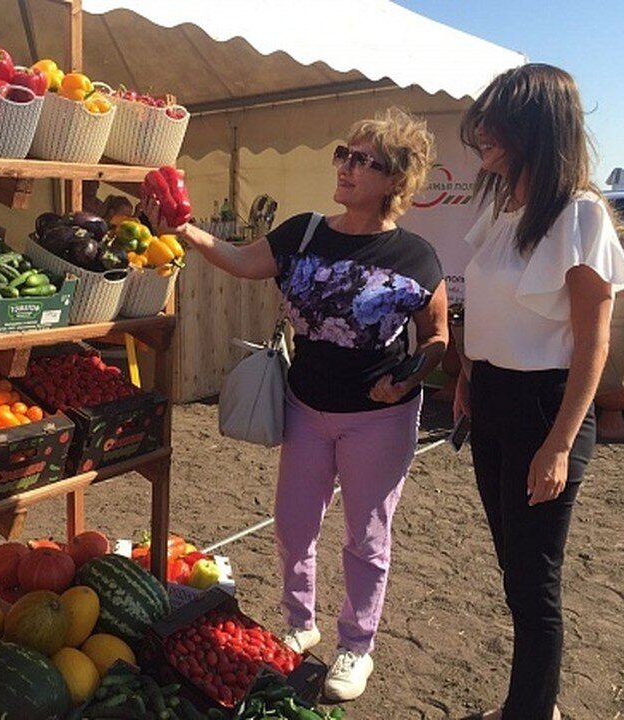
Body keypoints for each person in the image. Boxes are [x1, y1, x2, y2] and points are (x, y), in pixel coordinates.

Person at [144, 107, 448, 702]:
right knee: (292, 523)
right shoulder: (305, 231)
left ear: (395, 180)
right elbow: (239, 260)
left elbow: (438, 338)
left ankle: (356, 646)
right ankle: (299, 622)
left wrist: (410, 377)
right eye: (345, 154)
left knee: (366, 536)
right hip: (306, 406)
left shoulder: (416, 256)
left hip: (379, 419)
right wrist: (184, 231)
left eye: (365, 161)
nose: (348, 167)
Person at [454, 64, 624, 720]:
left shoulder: (580, 214)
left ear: (537, 126)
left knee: (534, 586)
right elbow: (486, 304)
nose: (481, 135)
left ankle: (530, 713)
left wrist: (559, 444)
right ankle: (535, 707)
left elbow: (595, 342)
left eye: (497, 122)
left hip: (544, 409)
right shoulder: (504, 207)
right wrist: (470, 379)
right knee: (515, 571)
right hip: (496, 400)